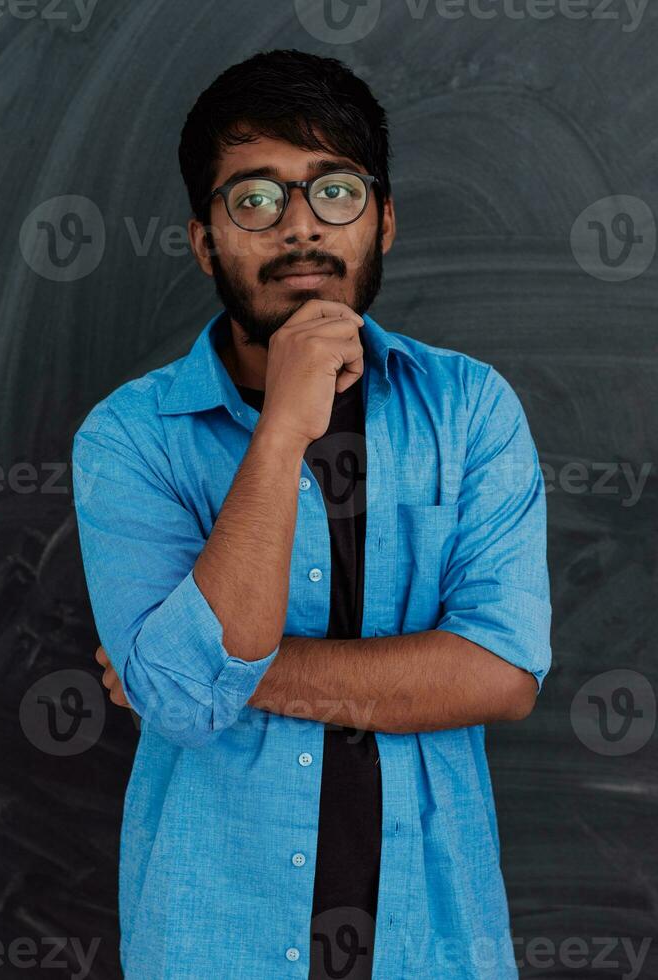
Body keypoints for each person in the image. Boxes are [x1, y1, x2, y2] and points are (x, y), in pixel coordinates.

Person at [72, 48, 552, 980]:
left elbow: (499, 675)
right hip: (212, 947)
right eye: (253, 199)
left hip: (435, 945)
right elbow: (178, 695)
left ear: (385, 222)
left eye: (334, 191)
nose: (299, 229)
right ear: (204, 240)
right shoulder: (129, 437)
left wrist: (194, 670)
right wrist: (283, 428)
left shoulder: (471, 408)